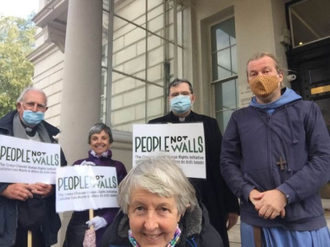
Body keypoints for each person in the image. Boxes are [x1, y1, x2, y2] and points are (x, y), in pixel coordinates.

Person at [220, 52, 330, 246]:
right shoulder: (239, 119)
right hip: (256, 220)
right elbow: (227, 162)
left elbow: (323, 160)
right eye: (253, 74)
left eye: (266, 70)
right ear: (248, 80)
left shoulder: (308, 110)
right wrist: (247, 192)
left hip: (305, 221)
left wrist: (284, 194)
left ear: (279, 75)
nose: (260, 77)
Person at [148, 78, 239, 247]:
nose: (179, 97)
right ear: (169, 99)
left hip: (208, 201)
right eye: (175, 94)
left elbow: (223, 165)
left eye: (184, 93)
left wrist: (231, 205)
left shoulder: (209, 124)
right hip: (168, 202)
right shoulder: (154, 126)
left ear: (193, 98)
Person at [101, 156, 223, 247]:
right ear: (127, 209)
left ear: (181, 211)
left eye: (163, 209)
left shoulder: (209, 243)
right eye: (140, 208)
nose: (150, 225)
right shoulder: (110, 241)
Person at [0, 87, 67, 247]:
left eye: (40, 106)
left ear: (46, 110)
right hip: (7, 224)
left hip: (41, 224)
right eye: (30, 104)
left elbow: (64, 178)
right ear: (19, 106)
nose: (35, 109)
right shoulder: (2, 135)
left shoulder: (51, 142)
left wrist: (52, 190)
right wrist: (4, 189)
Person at [63, 123, 127, 247]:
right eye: (95, 138)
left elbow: (123, 199)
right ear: (90, 142)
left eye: (104, 138)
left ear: (110, 142)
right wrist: (77, 173)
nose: (99, 141)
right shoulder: (79, 164)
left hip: (107, 225)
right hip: (80, 225)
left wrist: (106, 219)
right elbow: (69, 195)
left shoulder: (118, 167)